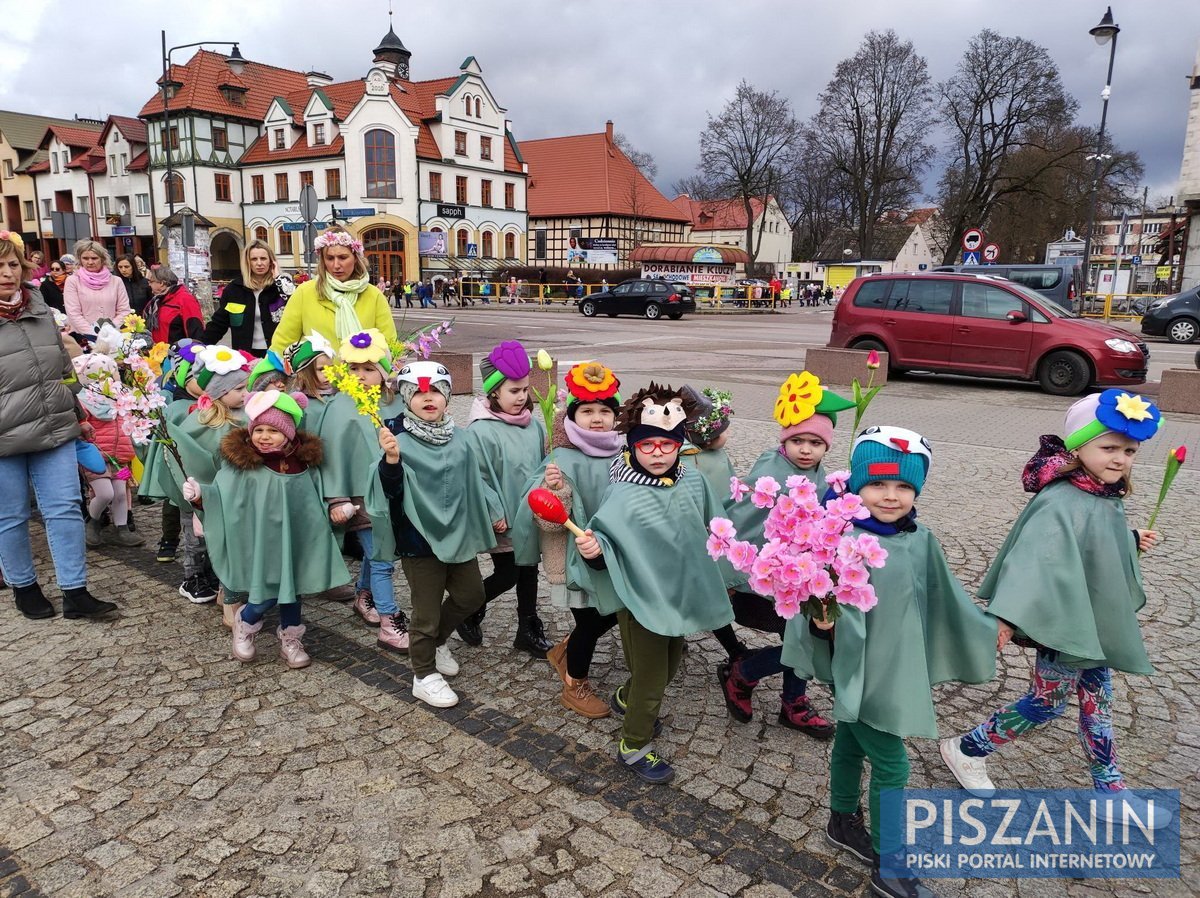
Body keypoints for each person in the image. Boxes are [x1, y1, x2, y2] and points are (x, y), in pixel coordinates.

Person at [781, 426, 997, 898]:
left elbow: (945, 599)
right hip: (854, 671)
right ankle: (890, 861)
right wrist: (819, 621)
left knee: (852, 746)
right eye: (877, 484)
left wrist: (995, 626)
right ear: (856, 485)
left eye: (904, 486)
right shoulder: (835, 538)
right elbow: (805, 595)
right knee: (894, 766)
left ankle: (841, 821)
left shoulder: (919, 539)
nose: (891, 496)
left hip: (893, 668)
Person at [940, 391, 1170, 826]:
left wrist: (1128, 540)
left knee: (1096, 702)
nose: (1120, 459)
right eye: (1109, 448)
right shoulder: (1062, 499)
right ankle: (967, 748)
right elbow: (1034, 558)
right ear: (1078, 448)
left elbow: (1088, 545)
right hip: (1061, 621)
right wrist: (1005, 615)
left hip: (1086, 622)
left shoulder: (1101, 493)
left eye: (1129, 451)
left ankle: (1109, 788)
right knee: (1046, 703)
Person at [573, 383, 734, 784]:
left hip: (678, 595)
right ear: (631, 446)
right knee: (650, 678)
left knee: (670, 664)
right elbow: (605, 543)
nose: (658, 453)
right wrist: (594, 553)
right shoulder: (624, 494)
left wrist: (728, 573)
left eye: (667, 444)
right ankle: (634, 743)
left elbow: (715, 529)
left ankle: (626, 698)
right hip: (642, 599)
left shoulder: (692, 481)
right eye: (648, 446)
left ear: (681, 444)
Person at [715, 373, 856, 737]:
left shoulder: (824, 476)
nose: (806, 449)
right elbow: (742, 523)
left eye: (815, 442)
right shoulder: (773, 475)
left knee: (809, 637)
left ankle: (790, 698)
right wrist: (729, 580)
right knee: (805, 639)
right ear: (784, 440)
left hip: (805, 581)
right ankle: (744, 674)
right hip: (756, 587)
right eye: (797, 440)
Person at [184, 390, 350, 669]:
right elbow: (224, 496)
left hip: (296, 540)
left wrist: (337, 505)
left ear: (288, 432)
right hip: (261, 542)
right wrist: (201, 495)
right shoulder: (244, 465)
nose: (263, 435)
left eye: (272, 430)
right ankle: (246, 622)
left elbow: (317, 497)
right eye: (258, 429)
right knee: (266, 592)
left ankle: (291, 639)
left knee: (294, 592)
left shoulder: (304, 464)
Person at [0, 230, 116, 620]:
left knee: (65, 508)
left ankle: (75, 591)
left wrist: (79, 415)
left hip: (54, 427)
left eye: (13, 264)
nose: (7, 273)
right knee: (11, 515)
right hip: (4, 437)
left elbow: (64, 371)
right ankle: (24, 585)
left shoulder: (39, 311)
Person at [371, 361, 499, 708]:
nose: (428, 399)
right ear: (406, 399)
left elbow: (476, 479)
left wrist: (494, 511)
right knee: (425, 611)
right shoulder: (397, 440)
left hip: (458, 534)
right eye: (419, 393)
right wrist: (391, 461)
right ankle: (423, 674)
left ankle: (439, 641)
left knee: (471, 595)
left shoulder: (460, 437)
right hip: (419, 539)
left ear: (446, 397)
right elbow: (388, 492)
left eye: (435, 392)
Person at [526, 362, 625, 718]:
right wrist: (558, 491)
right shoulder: (561, 459)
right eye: (587, 411)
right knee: (588, 621)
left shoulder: (622, 454)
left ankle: (564, 650)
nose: (597, 419)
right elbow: (544, 516)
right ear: (573, 416)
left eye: (604, 411)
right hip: (575, 556)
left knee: (616, 608)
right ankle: (575, 683)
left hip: (614, 554)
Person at [458, 340, 553, 657]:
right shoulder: (480, 431)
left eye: (525, 390)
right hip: (503, 518)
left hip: (529, 515)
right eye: (514, 391)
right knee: (509, 572)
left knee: (528, 571)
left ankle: (527, 628)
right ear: (494, 392)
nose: (522, 397)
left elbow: (541, 465)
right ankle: (467, 608)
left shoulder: (532, 425)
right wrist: (494, 510)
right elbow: (477, 477)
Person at [317, 330, 410, 652]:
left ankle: (364, 594)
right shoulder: (340, 406)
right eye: (353, 369)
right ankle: (389, 619)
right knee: (382, 556)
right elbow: (330, 454)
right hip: (359, 498)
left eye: (369, 369)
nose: (360, 376)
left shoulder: (395, 401)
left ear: (383, 373)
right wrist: (338, 497)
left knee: (382, 554)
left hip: (392, 491)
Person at [172, 347, 250, 611]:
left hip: (232, 494)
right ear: (219, 392)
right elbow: (187, 456)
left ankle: (221, 581)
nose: (244, 393)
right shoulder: (201, 421)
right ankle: (192, 577)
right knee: (197, 540)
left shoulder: (245, 417)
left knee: (224, 539)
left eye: (245, 387)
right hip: (201, 493)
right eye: (238, 389)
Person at [269, 226, 396, 354]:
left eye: (343, 257)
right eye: (330, 258)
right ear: (323, 261)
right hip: (315, 374)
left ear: (355, 258)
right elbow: (282, 344)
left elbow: (388, 346)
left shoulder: (374, 296)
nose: (336, 265)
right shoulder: (304, 293)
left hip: (361, 374)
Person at [73, 352, 143, 548]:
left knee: (121, 493)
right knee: (105, 493)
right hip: (96, 456)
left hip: (120, 456)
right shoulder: (84, 401)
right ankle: (92, 522)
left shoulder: (119, 396)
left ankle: (122, 528)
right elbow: (80, 424)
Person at [203, 240, 293, 357]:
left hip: (278, 354)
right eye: (254, 259)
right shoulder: (234, 289)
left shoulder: (281, 287)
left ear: (271, 261)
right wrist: (200, 344)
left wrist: (278, 278)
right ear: (247, 262)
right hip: (245, 355)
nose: (259, 263)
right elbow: (219, 323)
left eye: (263, 258)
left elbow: (295, 306)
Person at [63, 240, 131, 339]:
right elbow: (73, 313)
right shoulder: (72, 281)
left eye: (94, 258)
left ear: (102, 259)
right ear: (80, 260)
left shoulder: (116, 281)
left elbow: (124, 310)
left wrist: (110, 330)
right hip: (83, 337)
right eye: (85, 258)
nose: (90, 262)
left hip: (112, 336)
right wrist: (94, 333)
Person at [679, 386, 736, 498]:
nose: (729, 432)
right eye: (725, 430)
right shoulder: (695, 465)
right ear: (709, 439)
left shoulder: (717, 452)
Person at [144, 266, 205, 345]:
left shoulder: (185, 299)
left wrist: (193, 351)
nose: (149, 284)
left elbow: (195, 330)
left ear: (162, 283)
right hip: (157, 353)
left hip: (177, 353)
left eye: (151, 282)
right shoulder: (156, 301)